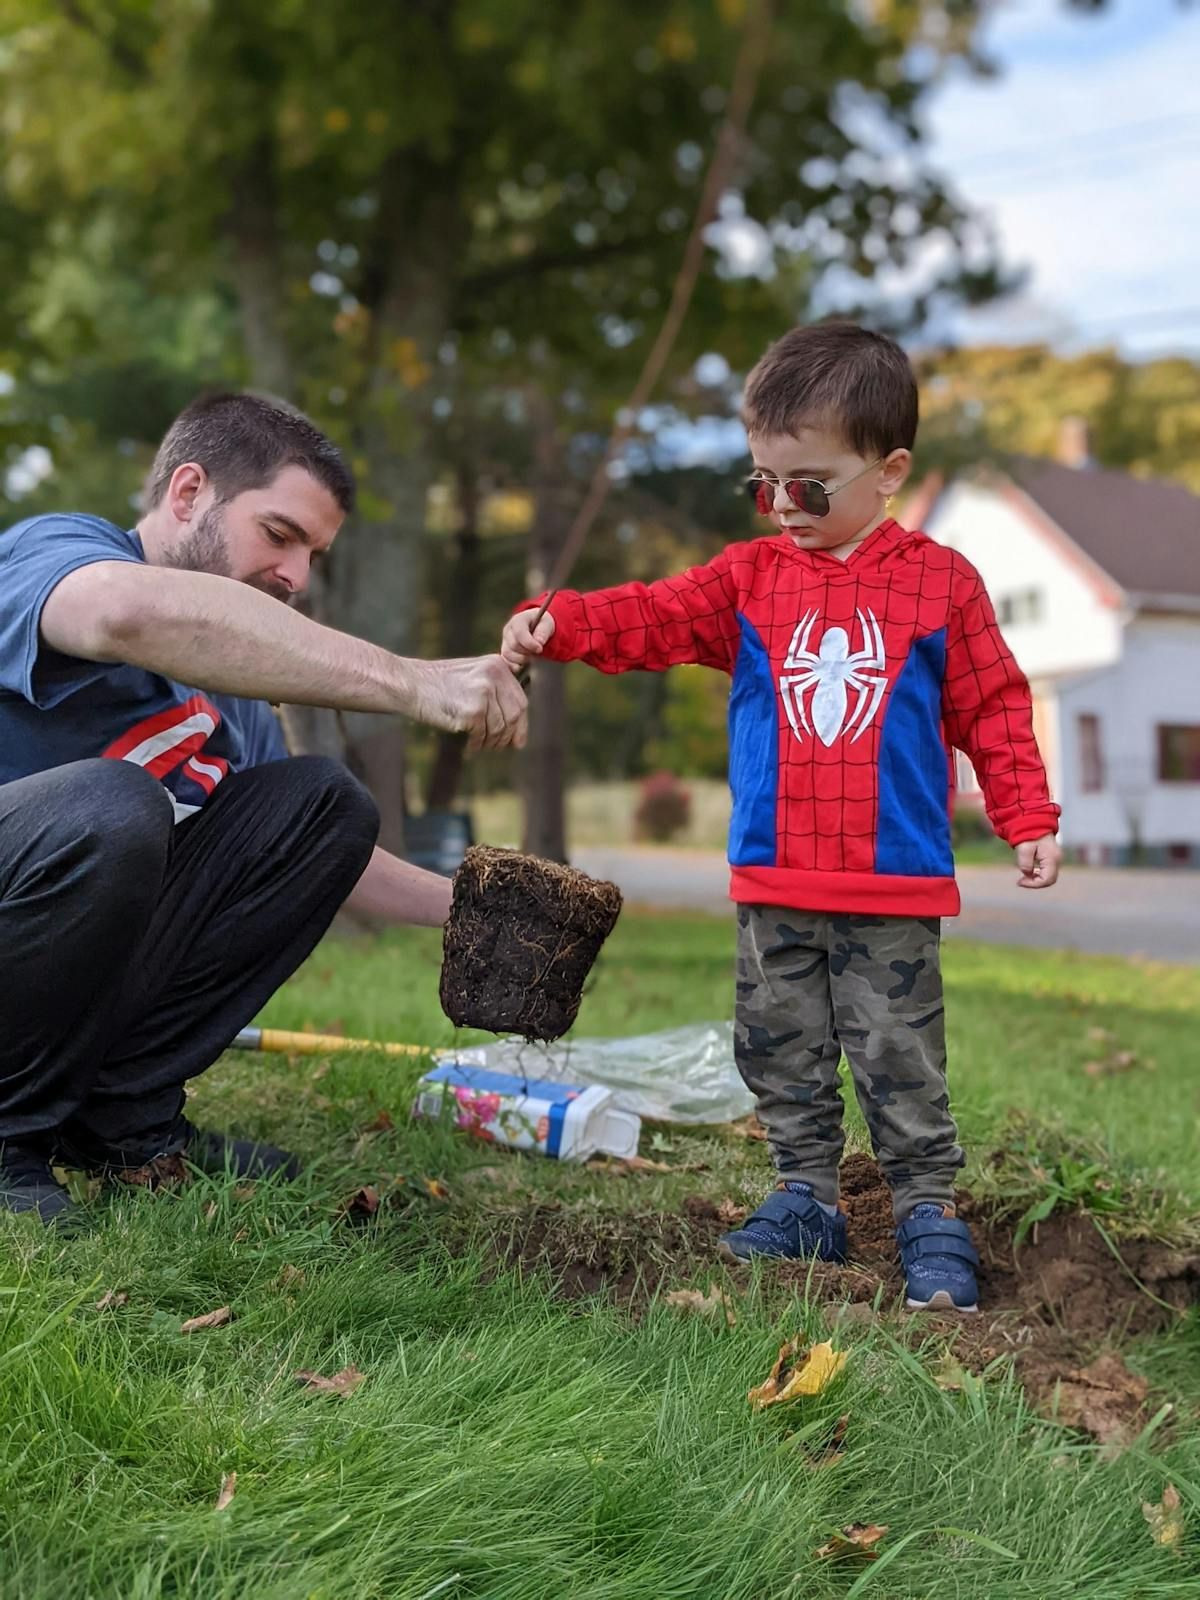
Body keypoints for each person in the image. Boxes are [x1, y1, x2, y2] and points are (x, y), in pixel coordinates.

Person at [501, 322, 1061, 1314]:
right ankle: (805, 1195)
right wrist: (567, 621)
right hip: (773, 876)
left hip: (891, 880)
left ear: (889, 472)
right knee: (778, 1046)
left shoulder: (941, 585)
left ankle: (927, 1207)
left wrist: (1026, 815)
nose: (785, 507)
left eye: (809, 485)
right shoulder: (749, 581)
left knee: (897, 1054)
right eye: (764, 484)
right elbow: (654, 614)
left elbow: (995, 706)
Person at [0, 391, 528, 1224]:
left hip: (77, 958)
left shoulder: (236, 697)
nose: (296, 576)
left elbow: (305, 854)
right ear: (188, 492)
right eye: (279, 534)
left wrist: (484, 907)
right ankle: (10, 1135)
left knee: (325, 804)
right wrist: (412, 681)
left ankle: (122, 1124)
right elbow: (122, 613)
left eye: (313, 554)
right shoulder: (58, 552)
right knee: (116, 802)